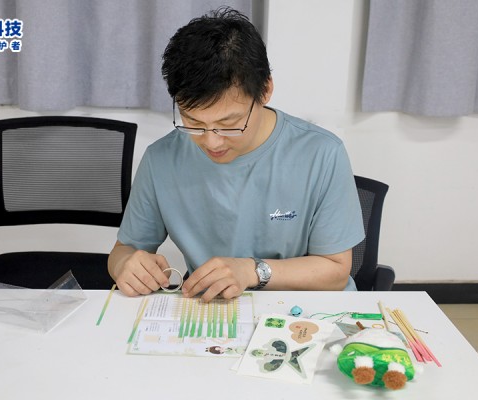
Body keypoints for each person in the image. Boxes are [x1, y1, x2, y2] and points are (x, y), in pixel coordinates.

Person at [108, 7, 364, 302]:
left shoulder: (321, 154)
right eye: (193, 122)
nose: (211, 142)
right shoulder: (161, 159)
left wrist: (252, 271)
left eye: (229, 124)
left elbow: (335, 271)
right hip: (213, 311)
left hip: (302, 311)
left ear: (265, 90)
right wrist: (125, 265)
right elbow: (123, 251)